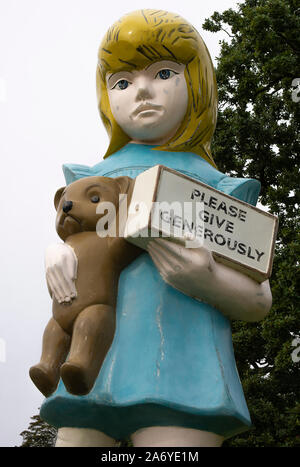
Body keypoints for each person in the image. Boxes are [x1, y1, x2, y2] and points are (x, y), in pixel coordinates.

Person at [40, 10, 272, 447]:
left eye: (163, 73)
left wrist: (204, 278)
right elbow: (74, 241)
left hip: (181, 381)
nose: (142, 91)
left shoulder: (220, 188)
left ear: (197, 82)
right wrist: (57, 253)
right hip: (86, 373)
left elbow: (259, 298)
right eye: (122, 82)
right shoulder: (89, 178)